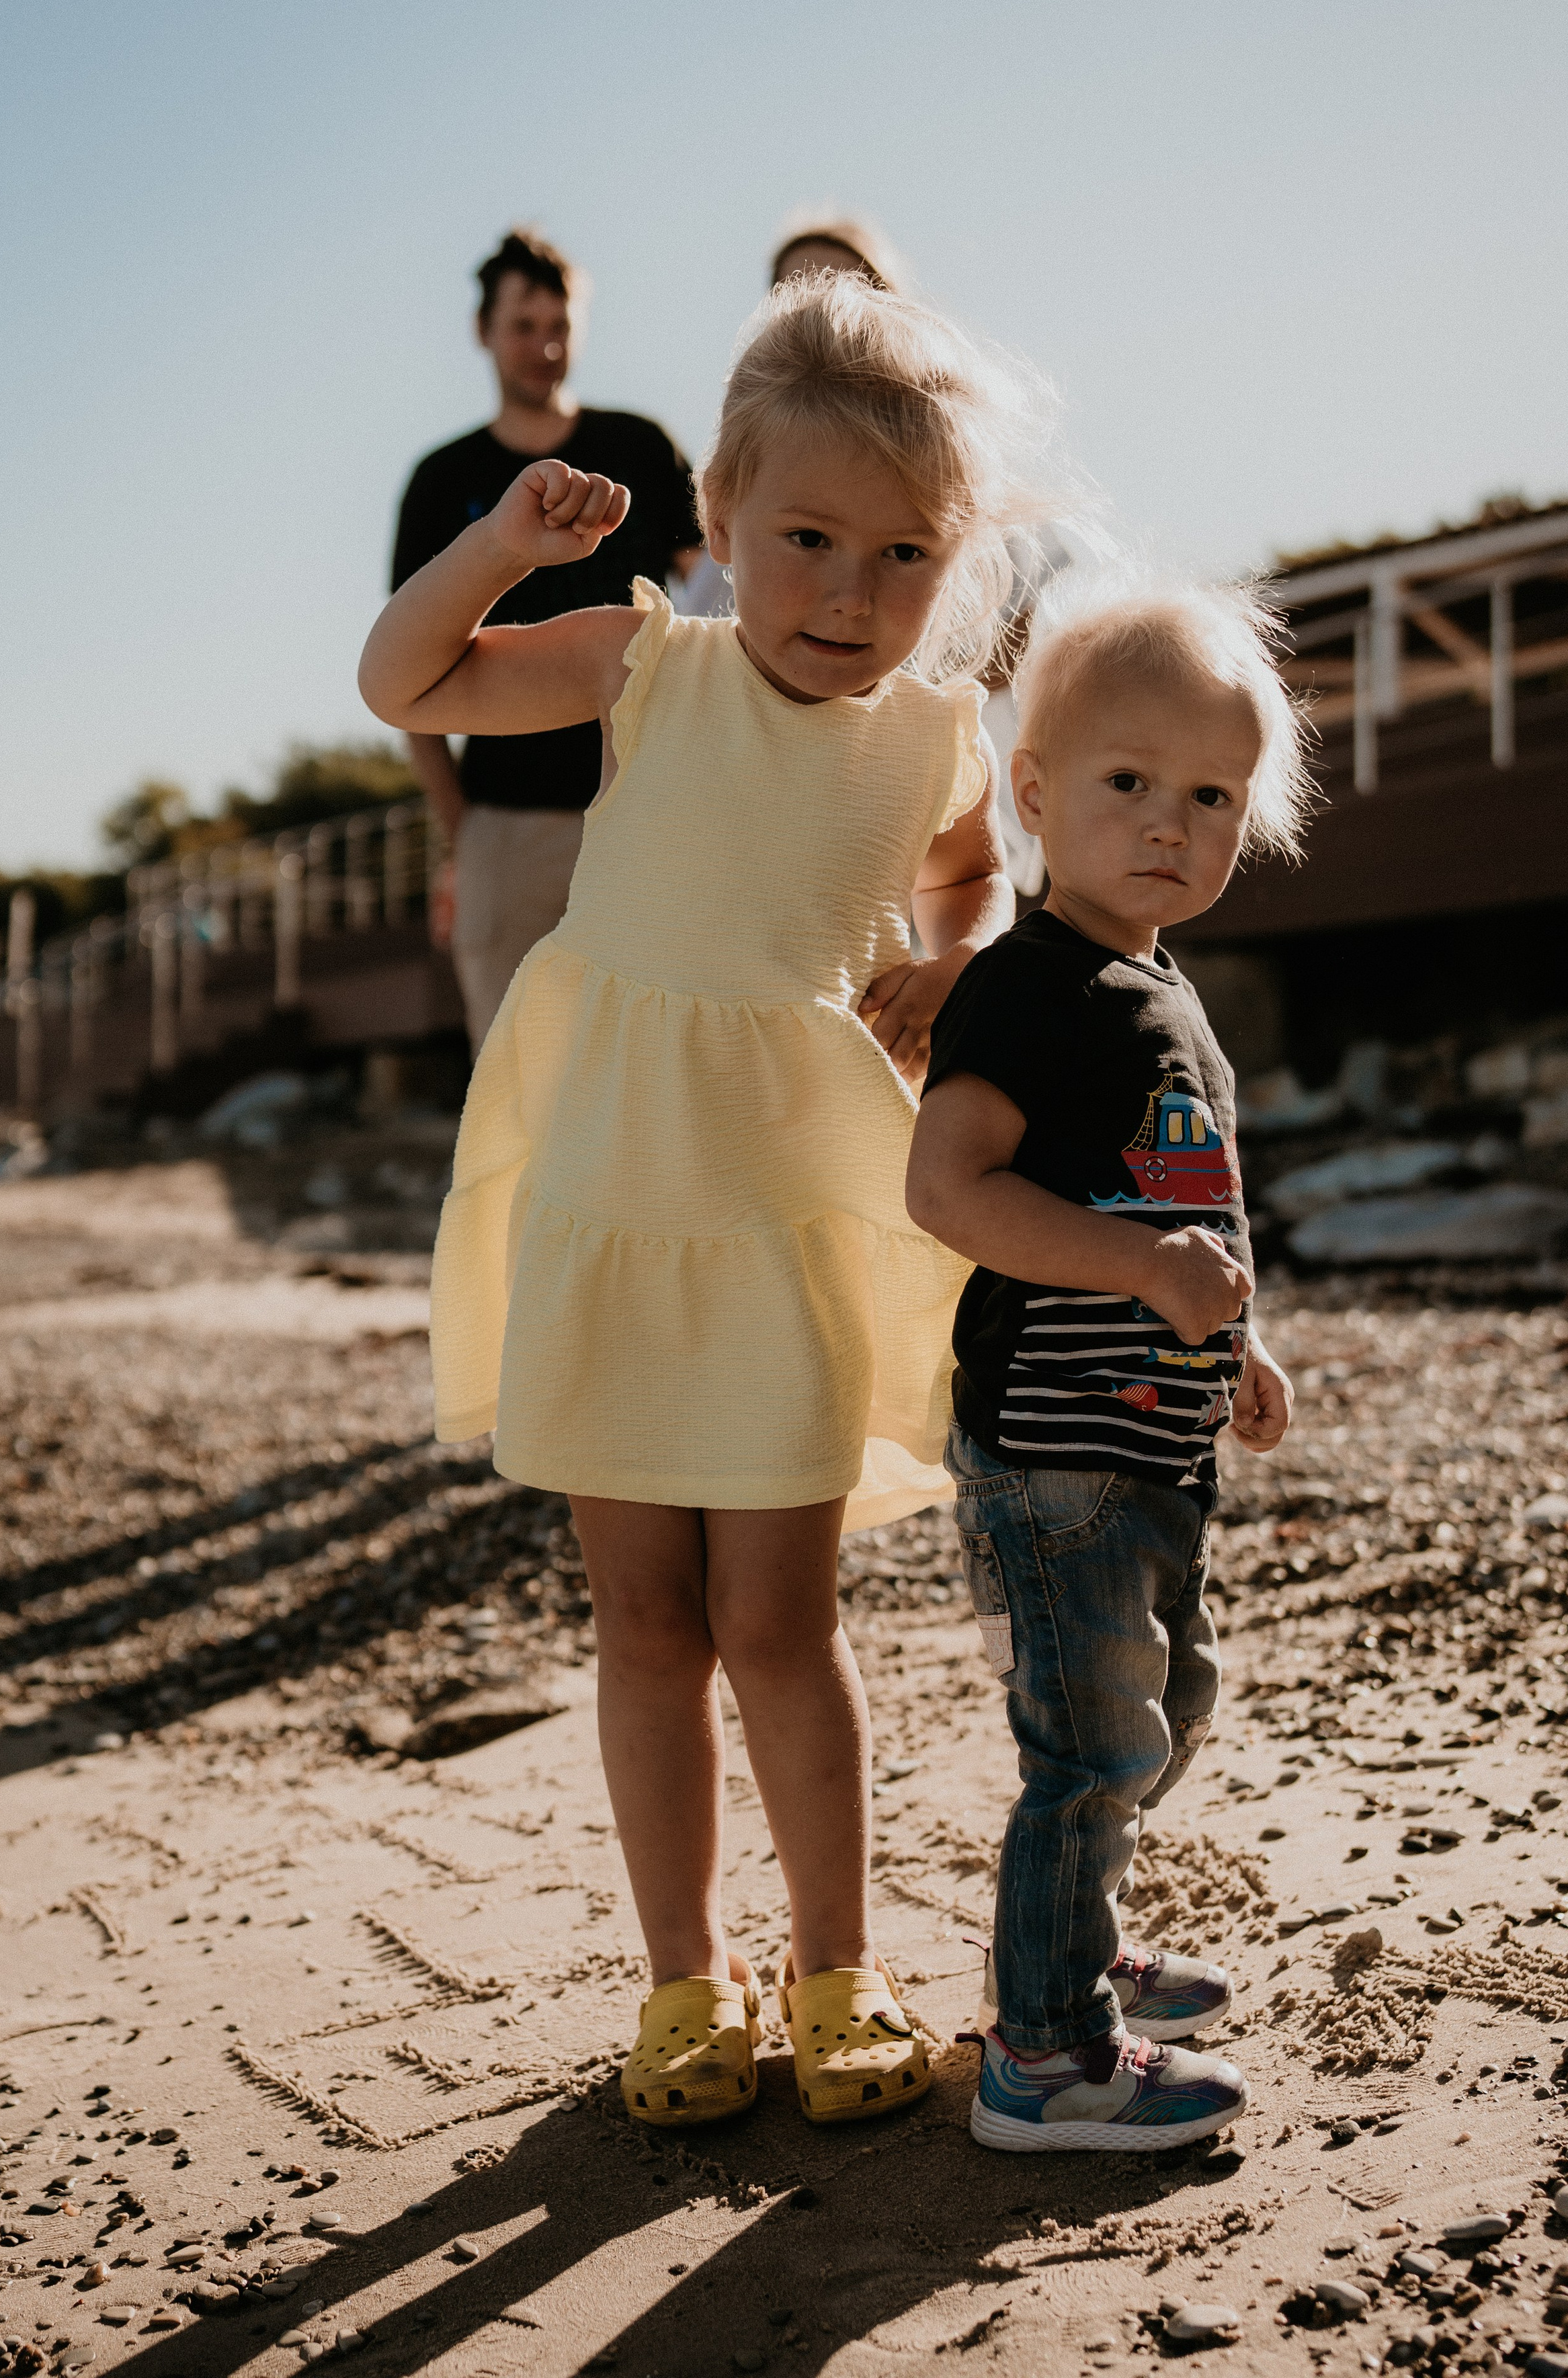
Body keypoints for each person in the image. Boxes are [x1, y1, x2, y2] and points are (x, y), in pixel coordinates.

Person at [360, 273, 1070, 2133]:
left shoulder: (932, 735)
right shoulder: (642, 662)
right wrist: (503, 545)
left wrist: (948, 963)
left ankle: (838, 1969)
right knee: (645, 1622)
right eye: (807, 541)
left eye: (904, 555)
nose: (848, 593)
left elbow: (975, 886)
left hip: (784, 1211)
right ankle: (687, 1986)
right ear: (721, 528)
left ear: (957, 563)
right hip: (613, 1187)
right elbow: (402, 680)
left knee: (782, 1615)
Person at [905, 577, 1310, 2153]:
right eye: (1126, 783)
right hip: (1050, 1447)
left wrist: (1236, 1333)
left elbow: (1177, 1205)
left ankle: (1072, 1944)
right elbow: (949, 1190)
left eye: (1208, 794)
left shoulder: (1164, 995)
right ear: (1030, 792)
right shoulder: (1027, 983)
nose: (1168, 822)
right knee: (1090, 1741)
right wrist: (1147, 1270)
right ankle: (1042, 2055)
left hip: (1148, 1437)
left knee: (1163, 1703)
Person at [391, 227, 701, 1047]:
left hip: (649, 810)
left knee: (656, 1068)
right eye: (523, 325)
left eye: (559, 323)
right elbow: (407, 674)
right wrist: (465, 834)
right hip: (507, 824)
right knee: (516, 1081)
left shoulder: (640, 447)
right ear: (483, 331)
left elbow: (721, 587)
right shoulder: (442, 481)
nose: (545, 345)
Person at [674, 212, 908, 622]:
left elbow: (1035, 603)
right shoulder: (755, 471)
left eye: (839, 289)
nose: (815, 309)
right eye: (792, 294)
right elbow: (700, 630)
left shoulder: (942, 450)